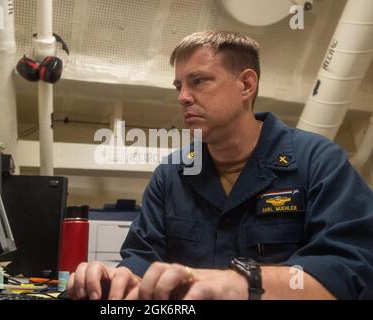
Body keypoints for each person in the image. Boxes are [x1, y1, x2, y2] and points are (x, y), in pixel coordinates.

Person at [66, 30, 373, 300]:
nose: (183, 98)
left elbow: (351, 271)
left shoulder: (318, 161)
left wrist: (242, 283)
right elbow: (141, 260)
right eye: (179, 86)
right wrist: (118, 280)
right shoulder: (172, 174)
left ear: (246, 85)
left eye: (198, 81)